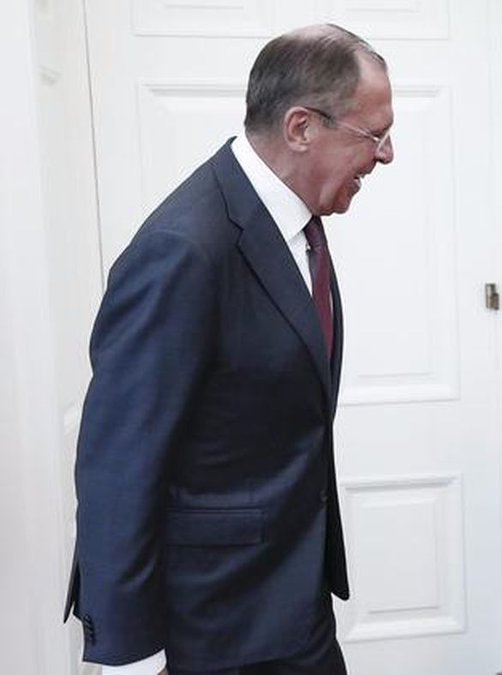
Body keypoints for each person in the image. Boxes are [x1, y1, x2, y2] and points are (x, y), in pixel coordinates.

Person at [64, 23, 394, 675]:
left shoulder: (299, 221)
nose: (386, 155)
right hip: (210, 631)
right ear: (301, 128)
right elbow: (118, 464)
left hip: (291, 606)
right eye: (374, 135)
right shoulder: (183, 249)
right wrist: (132, 657)